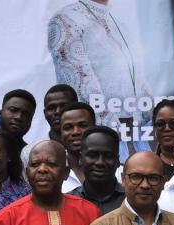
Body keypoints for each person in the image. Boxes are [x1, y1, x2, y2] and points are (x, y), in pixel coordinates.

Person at [48, 1, 149, 130]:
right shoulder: (67, 19)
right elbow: (81, 84)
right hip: (102, 132)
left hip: (138, 128)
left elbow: (139, 81)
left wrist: (150, 119)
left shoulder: (118, 21)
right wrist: (113, 131)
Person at [70, 125, 125, 214]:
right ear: (80, 159)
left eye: (108, 156)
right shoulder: (67, 203)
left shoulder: (131, 201)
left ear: (118, 161)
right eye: (92, 155)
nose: (100, 162)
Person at [57, 102, 97, 193]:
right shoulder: (53, 174)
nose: (76, 132)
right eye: (68, 127)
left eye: (83, 125)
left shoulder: (117, 173)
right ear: (60, 134)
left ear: (95, 128)